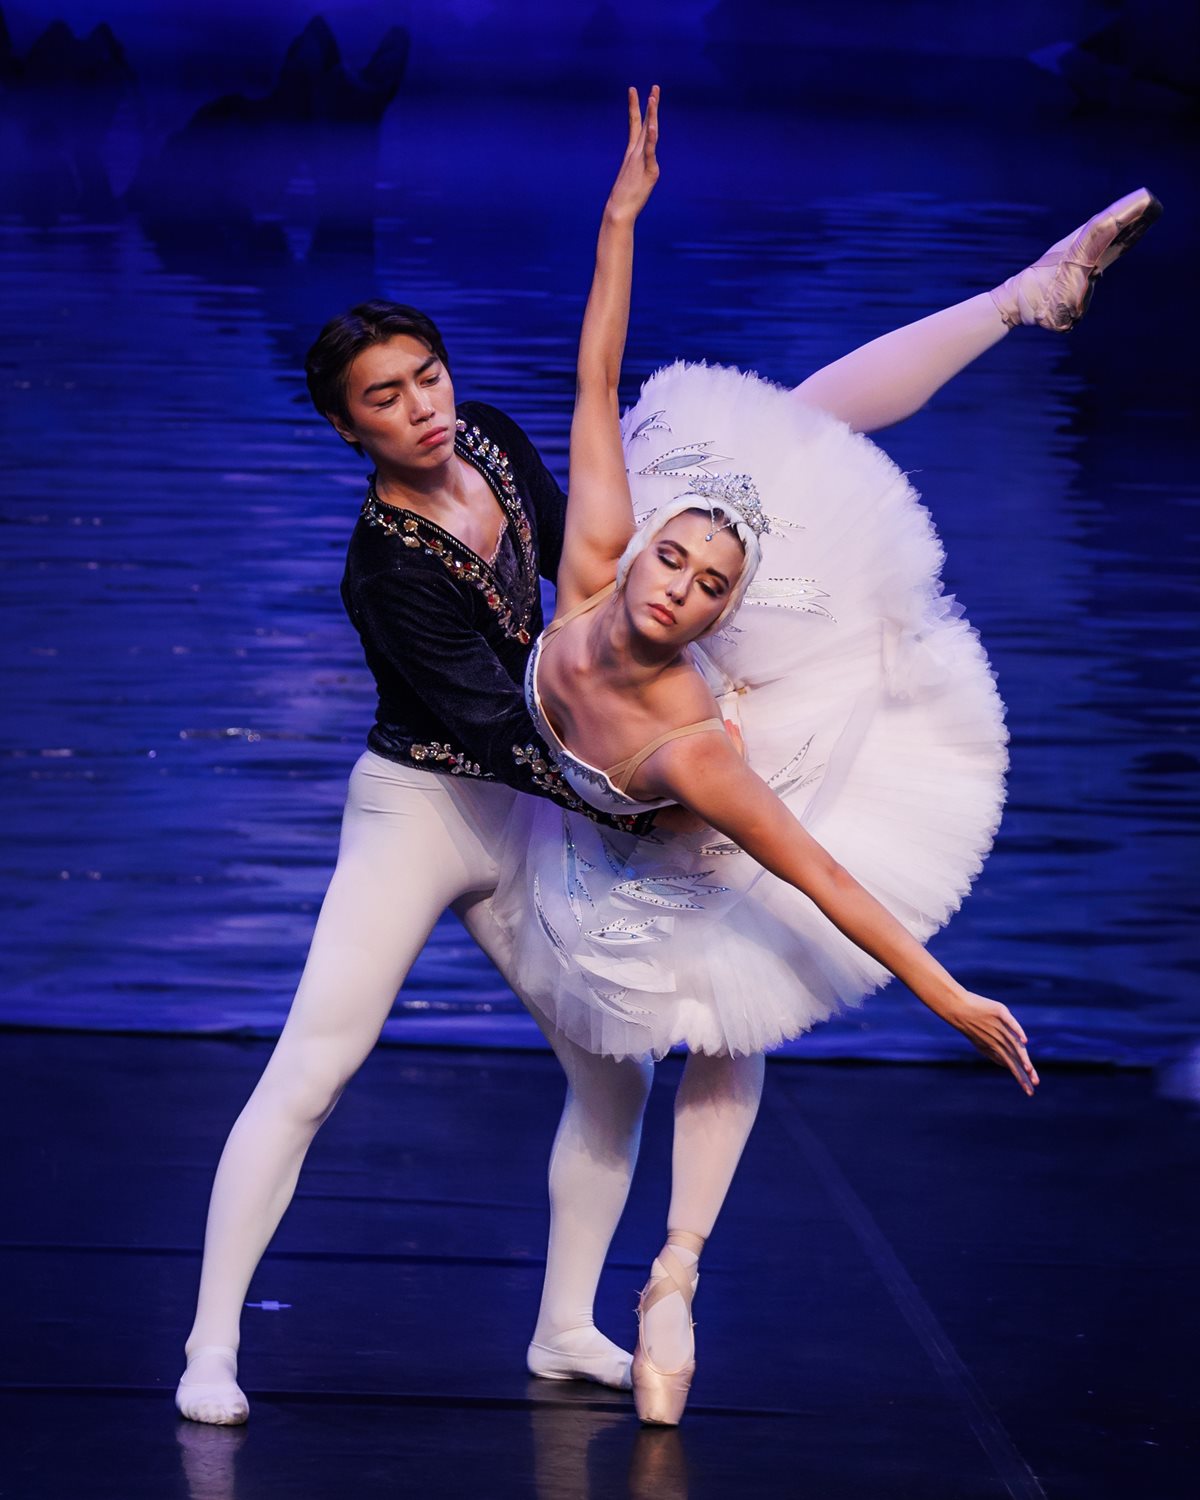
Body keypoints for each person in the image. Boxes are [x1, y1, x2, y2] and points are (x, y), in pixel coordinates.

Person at [174, 88, 1159, 1423]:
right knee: (317, 1062)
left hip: (557, 789)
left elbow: (594, 386)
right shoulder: (386, 572)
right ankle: (211, 1347)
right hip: (439, 796)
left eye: (428, 378)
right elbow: (513, 736)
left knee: (616, 1069)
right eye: (384, 401)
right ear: (349, 428)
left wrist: (620, 221)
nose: (421, 409)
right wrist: (665, 786)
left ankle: (565, 1326)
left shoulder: (489, 443)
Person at [490, 86, 1159, 1425]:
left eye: (707, 586)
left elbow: (823, 877)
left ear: (721, 618)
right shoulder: (597, 553)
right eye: (673, 560)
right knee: (792, 427)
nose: (676, 586)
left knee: (741, 1001)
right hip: (586, 852)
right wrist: (620, 220)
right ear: (638, 549)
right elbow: (598, 374)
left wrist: (948, 994)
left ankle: (676, 1273)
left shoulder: (700, 746)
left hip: (725, 794)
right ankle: (1025, 297)